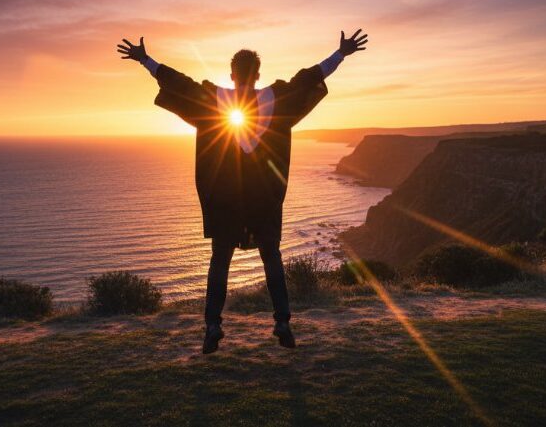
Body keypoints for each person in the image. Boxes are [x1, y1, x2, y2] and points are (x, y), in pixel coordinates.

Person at [116, 29, 368, 354]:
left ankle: (212, 326)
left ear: (232, 75)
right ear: (258, 74)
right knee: (271, 258)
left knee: (220, 260)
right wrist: (341, 54)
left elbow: (178, 83)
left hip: (225, 198)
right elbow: (308, 78)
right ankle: (283, 322)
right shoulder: (276, 99)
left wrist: (144, 60)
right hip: (264, 197)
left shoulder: (215, 100)